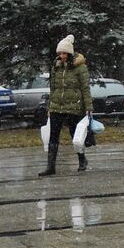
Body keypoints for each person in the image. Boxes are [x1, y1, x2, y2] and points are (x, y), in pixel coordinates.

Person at [39, 34, 92, 176]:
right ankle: (50, 167)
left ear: (69, 53)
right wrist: (50, 108)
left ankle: (82, 160)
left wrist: (88, 108)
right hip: (57, 106)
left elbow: (85, 88)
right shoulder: (56, 67)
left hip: (75, 106)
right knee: (53, 136)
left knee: (75, 135)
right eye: (60, 53)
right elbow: (53, 89)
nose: (62, 56)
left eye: (64, 53)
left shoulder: (80, 68)